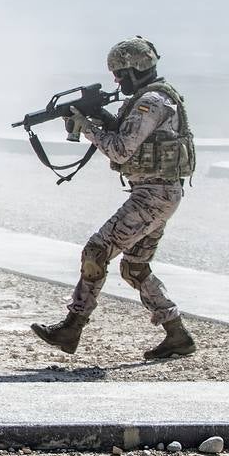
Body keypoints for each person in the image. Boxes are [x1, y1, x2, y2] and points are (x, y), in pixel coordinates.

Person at [31, 36, 199, 360]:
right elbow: (125, 135)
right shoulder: (150, 99)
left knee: (97, 251)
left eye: (120, 74)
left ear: (135, 69)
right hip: (158, 193)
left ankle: (72, 327)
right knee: (135, 267)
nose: (117, 81)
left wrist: (87, 127)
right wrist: (95, 121)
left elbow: (120, 149)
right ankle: (177, 334)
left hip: (154, 194)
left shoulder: (151, 102)